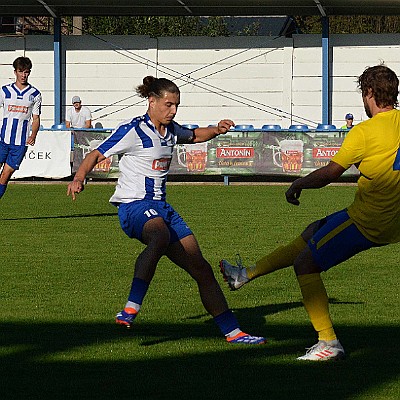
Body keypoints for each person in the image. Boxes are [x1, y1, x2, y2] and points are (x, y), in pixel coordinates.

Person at [220, 64, 400, 360]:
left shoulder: (364, 132)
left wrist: (298, 184)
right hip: (391, 217)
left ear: (369, 93)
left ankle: (328, 342)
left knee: (305, 264)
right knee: (312, 233)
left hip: (370, 221)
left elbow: (330, 173)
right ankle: (245, 274)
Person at [67, 76, 265, 345]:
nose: (173, 111)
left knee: (201, 269)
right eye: (168, 104)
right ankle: (132, 306)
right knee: (159, 236)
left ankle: (234, 332)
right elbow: (94, 155)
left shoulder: (171, 130)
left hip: (162, 208)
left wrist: (216, 130)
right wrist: (79, 178)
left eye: (176, 106)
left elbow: (194, 135)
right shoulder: (133, 130)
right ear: (152, 101)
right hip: (134, 206)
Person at [0, 56, 42, 199]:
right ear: (15, 72)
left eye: (27, 72)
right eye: (21, 71)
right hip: (3, 140)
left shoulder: (35, 94)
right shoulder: (5, 91)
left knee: (5, 176)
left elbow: (35, 118)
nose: (24, 75)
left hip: (20, 144)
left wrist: (33, 135)